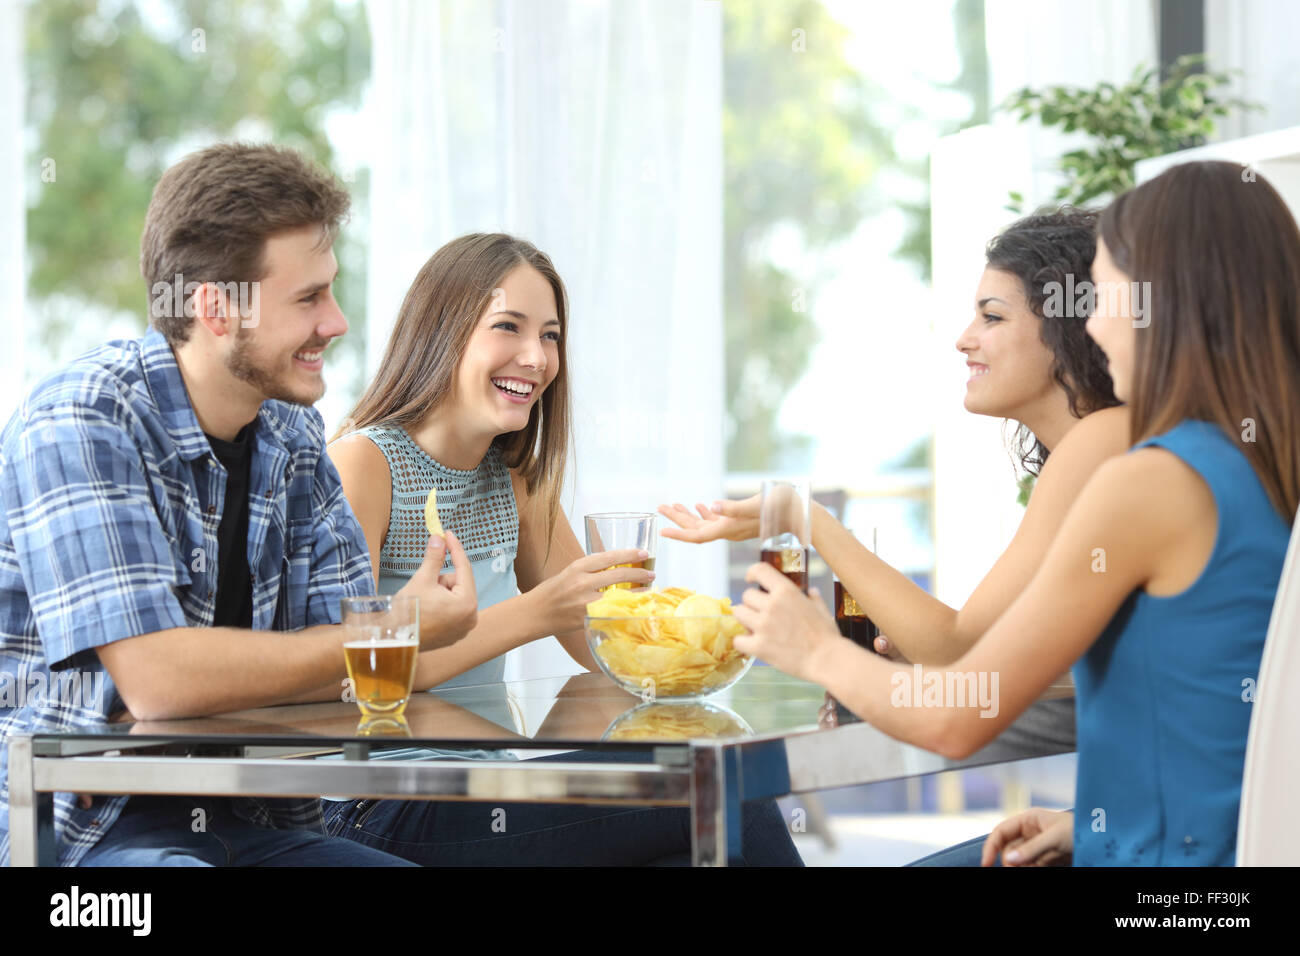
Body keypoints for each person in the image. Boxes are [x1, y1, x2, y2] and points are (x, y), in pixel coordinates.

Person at [730, 161, 1298, 866]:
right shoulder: (1260, 461)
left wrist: (816, 648)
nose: (1091, 323)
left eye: (1106, 296)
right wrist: (1090, 820)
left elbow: (956, 718)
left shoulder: (1150, 481)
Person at [0, 143, 477, 867]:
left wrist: (198, 680)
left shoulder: (296, 439)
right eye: (309, 298)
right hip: (81, 832)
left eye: (332, 291)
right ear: (217, 309)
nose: (337, 322)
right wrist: (396, 629)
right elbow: (162, 684)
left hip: (252, 819)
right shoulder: (83, 418)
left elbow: (335, 683)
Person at [325, 233, 803, 865]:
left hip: (489, 783)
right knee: (730, 796)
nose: (536, 356)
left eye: (550, 335)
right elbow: (347, 676)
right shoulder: (364, 463)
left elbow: (607, 651)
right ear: (440, 333)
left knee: (699, 831)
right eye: (508, 327)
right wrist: (536, 612)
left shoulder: (515, 482)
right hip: (381, 803)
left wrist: (704, 632)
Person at [661, 208, 1125, 760]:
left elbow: (955, 646)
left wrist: (807, 523)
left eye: (992, 318)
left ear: (1069, 329)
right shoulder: (1098, 447)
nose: (963, 340)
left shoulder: (1101, 443)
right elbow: (994, 662)